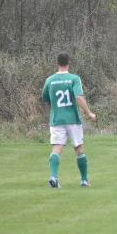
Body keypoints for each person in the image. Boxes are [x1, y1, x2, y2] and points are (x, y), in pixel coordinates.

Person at [42, 53, 96, 188]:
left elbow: (46, 99)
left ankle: (53, 176)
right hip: (72, 119)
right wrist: (89, 113)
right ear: (69, 62)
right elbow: (78, 97)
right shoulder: (74, 78)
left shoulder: (50, 80)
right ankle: (84, 180)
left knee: (57, 147)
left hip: (56, 119)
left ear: (56, 62)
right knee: (78, 147)